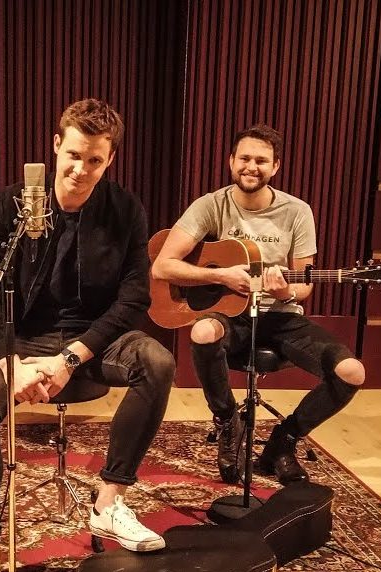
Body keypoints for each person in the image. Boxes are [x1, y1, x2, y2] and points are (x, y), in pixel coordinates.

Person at [0, 98, 176, 572]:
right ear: (56, 145)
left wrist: (72, 359)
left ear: (110, 160)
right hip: (21, 339)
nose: (81, 169)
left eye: (95, 160)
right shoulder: (15, 204)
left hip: (92, 340)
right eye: (74, 155)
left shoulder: (125, 209)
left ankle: (109, 503)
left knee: (157, 361)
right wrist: (10, 361)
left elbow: (134, 298)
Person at [152, 124, 365, 485]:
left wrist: (282, 291)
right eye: (245, 158)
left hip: (281, 318)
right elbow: (162, 265)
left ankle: (284, 441)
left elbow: (303, 286)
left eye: (262, 161)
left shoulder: (297, 212)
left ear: (275, 166)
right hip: (231, 315)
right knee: (202, 332)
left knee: (351, 372)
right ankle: (227, 422)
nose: (251, 167)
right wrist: (222, 276)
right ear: (231, 161)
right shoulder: (210, 205)